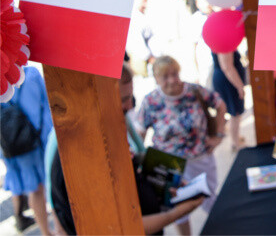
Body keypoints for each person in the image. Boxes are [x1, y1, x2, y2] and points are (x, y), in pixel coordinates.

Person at [50, 62, 204, 235]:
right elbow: (120, 227)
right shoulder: (83, 155)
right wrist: (177, 213)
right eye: (123, 99)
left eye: (131, 98)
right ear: (98, 99)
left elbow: (128, 169)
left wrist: (162, 179)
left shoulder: (104, 130)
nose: (130, 106)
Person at [137, 56, 226, 235]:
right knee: (178, 209)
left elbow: (220, 104)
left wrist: (218, 135)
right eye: (165, 76)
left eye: (174, 74)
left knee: (211, 199)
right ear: (156, 79)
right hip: (170, 165)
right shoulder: (151, 101)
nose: (171, 80)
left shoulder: (194, 91)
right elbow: (140, 133)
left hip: (200, 158)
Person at [1, 66, 53, 235]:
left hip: (17, 148)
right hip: (38, 141)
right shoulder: (31, 74)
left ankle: (46, 232)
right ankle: (58, 227)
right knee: (49, 185)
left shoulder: (3, 83)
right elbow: (47, 106)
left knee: (35, 190)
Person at [212, 50, 246, 149]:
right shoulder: (223, 41)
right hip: (229, 81)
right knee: (235, 113)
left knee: (234, 112)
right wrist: (239, 86)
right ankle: (235, 143)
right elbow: (227, 67)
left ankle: (236, 137)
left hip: (226, 79)